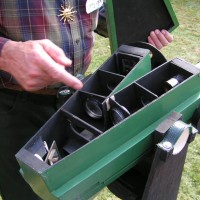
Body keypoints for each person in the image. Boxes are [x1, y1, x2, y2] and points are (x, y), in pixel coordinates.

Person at [0, 1, 173, 200]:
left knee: (74, 189)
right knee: (28, 193)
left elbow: (94, 10)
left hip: (80, 99)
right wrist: (5, 53)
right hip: (16, 106)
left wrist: (141, 24)